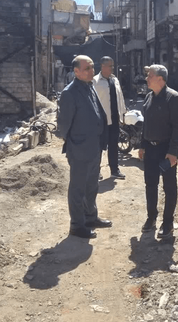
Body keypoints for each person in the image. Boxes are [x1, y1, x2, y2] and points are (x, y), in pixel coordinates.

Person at [57, 55, 112, 239]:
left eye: (92, 67)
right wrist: (75, 143)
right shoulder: (69, 93)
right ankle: (77, 225)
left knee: (91, 186)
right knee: (78, 188)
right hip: (80, 149)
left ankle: (90, 217)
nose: (92, 71)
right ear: (76, 71)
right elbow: (64, 125)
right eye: (87, 68)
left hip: (94, 147)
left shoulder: (89, 86)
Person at [138, 64, 178, 238]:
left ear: (160, 79)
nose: (147, 78)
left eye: (150, 76)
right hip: (150, 149)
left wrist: (173, 152)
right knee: (150, 184)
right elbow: (146, 124)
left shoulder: (173, 98)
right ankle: (151, 217)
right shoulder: (149, 97)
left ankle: (168, 222)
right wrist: (142, 145)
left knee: (169, 186)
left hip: (166, 150)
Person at [93, 56, 126, 180]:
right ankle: (96, 171)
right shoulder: (95, 81)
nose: (112, 68)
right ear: (103, 66)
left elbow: (120, 97)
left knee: (113, 145)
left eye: (113, 65)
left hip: (115, 119)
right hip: (102, 120)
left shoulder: (114, 80)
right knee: (99, 147)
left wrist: (123, 113)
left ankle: (114, 170)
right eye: (110, 66)